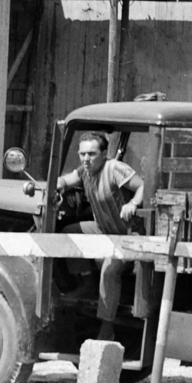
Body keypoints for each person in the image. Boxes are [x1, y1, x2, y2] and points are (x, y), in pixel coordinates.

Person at [55, 131, 144, 343]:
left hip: (127, 236)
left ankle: (107, 327)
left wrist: (132, 204)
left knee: (109, 269)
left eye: (92, 154)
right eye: (82, 154)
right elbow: (66, 180)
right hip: (104, 230)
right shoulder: (85, 171)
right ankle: (86, 282)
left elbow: (142, 186)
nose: (86, 159)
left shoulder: (114, 169)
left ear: (104, 154)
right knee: (69, 233)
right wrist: (57, 186)